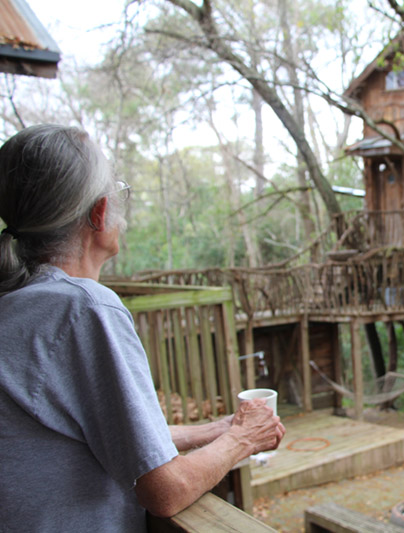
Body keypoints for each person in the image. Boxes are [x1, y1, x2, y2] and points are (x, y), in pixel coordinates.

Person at [0, 124, 286, 532]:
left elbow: (99, 433)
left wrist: (216, 430)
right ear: (99, 213)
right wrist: (243, 440)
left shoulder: (19, 300)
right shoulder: (83, 308)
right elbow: (164, 491)